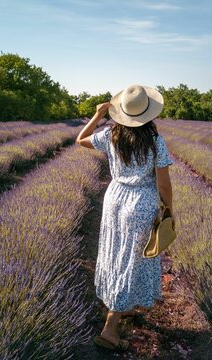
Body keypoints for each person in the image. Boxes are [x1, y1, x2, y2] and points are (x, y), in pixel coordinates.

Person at [76, 84, 175, 352]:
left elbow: (80, 140)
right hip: (141, 203)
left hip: (115, 199)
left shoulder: (110, 136)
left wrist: (97, 116)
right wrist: (169, 209)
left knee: (114, 252)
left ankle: (120, 303)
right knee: (132, 259)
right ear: (148, 114)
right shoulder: (156, 142)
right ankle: (110, 327)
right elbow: (164, 185)